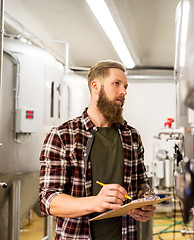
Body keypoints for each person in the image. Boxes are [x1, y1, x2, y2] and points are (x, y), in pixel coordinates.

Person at [39, 60, 156, 239]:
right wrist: (95, 202)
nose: (123, 91)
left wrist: (145, 200)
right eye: (116, 84)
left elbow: (141, 182)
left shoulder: (131, 136)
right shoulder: (63, 135)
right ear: (96, 86)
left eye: (125, 86)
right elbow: (49, 200)